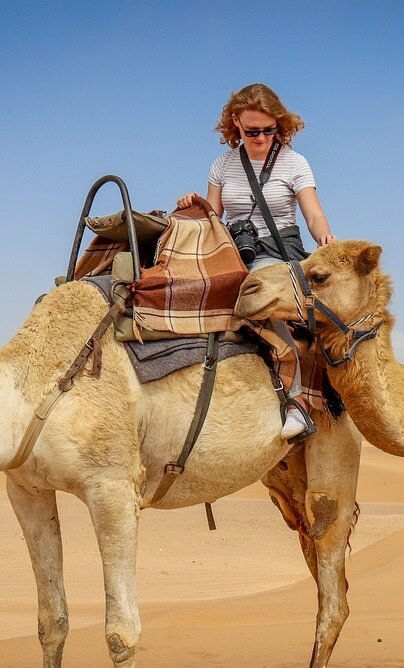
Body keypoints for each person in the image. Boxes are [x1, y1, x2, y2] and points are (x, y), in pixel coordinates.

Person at [177, 83, 336, 440]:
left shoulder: (294, 163)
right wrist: (192, 203)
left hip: (278, 254)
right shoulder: (223, 164)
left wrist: (325, 238)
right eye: (252, 131)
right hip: (234, 251)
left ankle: (296, 400)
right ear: (236, 123)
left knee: (259, 295)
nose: (261, 138)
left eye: (269, 130)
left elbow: (313, 213)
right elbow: (212, 216)